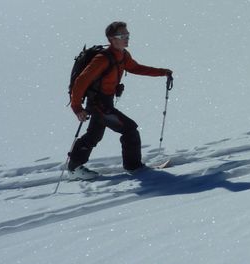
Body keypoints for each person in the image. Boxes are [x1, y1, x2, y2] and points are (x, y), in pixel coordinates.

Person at [66, 21, 173, 179]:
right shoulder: (102, 59)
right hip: (98, 104)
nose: (126, 38)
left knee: (93, 135)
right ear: (111, 39)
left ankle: (74, 168)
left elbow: (136, 68)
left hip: (105, 102)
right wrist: (77, 107)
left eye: (127, 35)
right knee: (129, 129)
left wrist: (162, 72)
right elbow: (81, 81)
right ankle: (134, 166)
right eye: (122, 35)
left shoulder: (123, 55)